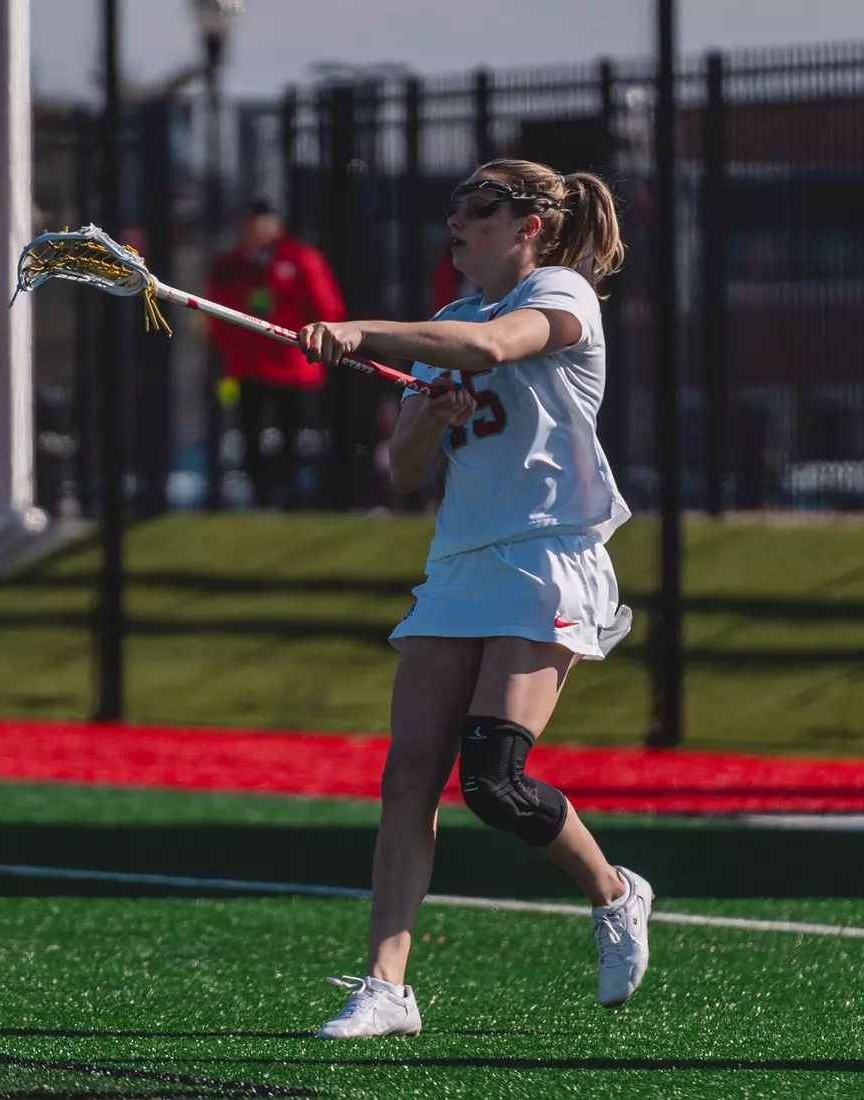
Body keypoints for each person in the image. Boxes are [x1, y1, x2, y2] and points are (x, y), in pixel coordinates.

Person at [296, 159, 651, 1039]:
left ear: (530, 224)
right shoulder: (446, 322)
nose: (459, 224)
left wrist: (362, 332)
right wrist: (431, 417)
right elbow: (408, 470)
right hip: (461, 563)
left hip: (547, 556)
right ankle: (388, 987)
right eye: (453, 210)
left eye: (480, 211)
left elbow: (497, 348)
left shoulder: (561, 291)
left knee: (494, 784)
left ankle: (614, 893)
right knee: (408, 774)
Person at [207, 199, 345, 510]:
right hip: (248, 365)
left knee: (293, 432)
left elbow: (328, 308)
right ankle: (262, 496)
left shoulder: (301, 259)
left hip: (294, 364)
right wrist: (229, 349)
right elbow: (215, 312)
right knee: (250, 431)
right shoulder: (231, 265)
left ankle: (291, 495)